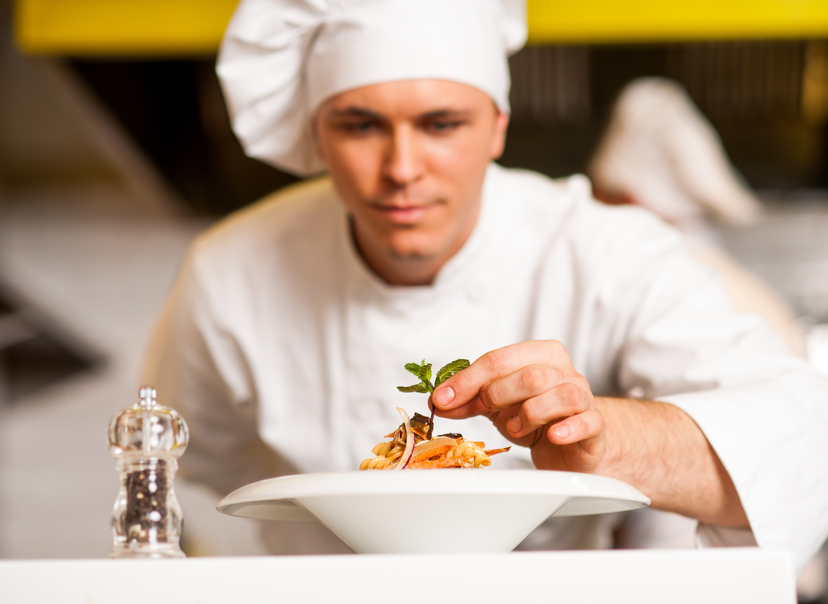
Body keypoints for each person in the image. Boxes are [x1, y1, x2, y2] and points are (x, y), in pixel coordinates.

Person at [144, 0, 828, 572]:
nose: (401, 168)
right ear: (316, 136)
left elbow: (800, 442)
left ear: (498, 125)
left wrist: (600, 439)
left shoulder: (603, 249)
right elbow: (176, 465)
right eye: (360, 125)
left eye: (441, 124)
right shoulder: (228, 274)